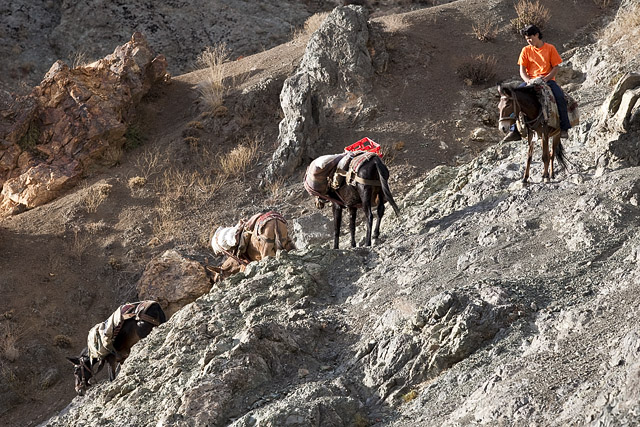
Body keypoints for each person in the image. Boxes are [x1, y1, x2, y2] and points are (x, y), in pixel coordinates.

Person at [503, 24, 571, 142]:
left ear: (537, 35)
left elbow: (555, 67)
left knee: (559, 97)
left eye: (530, 38)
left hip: (548, 81)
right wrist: (528, 81)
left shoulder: (550, 48)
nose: (529, 41)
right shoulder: (525, 50)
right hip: (531, 81)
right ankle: (514, 131)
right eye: (527, 39)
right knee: (514, 97)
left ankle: (564, 128)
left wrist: (546, 78)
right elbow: (522, 70)